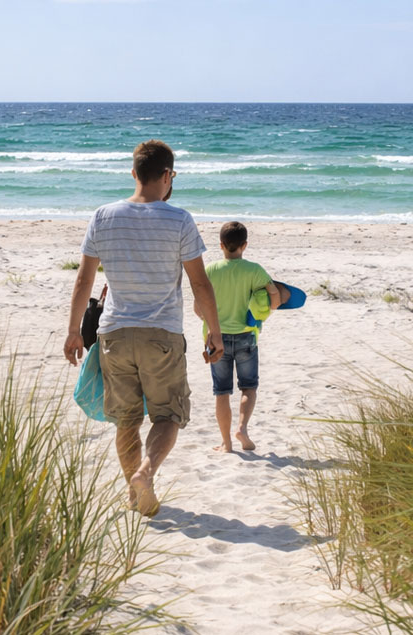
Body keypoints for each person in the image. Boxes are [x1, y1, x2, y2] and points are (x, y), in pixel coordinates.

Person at [64, 139, 224, 517]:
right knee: (168, 415)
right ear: (167, 175)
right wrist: (214, 331)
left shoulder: (103, 216)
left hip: (114, 334)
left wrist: (73, 331)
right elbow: (200, 283)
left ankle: (134, 494)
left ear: (134, 173)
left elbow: (84, 280)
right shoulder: (179, 219)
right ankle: (146, 473)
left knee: (126, 420)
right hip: (161, 334)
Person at [200, 222, 281, 453]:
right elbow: (275, 301)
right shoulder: (255, 271)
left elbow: (198, 309)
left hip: (216, 338)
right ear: (244, 245)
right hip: (246, 337)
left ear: (221, 245)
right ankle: (242, 429)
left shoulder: (210, 270)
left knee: (221, 392)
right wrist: (269, 297)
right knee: (249, 388)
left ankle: (226, 443)